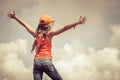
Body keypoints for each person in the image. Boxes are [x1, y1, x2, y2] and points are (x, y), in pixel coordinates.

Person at [7, 11, 86, 80]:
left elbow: (24, 25)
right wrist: (77, 22)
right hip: (46, 62)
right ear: (49, 25)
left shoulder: (35, 34)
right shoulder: (50, 34)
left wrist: (15, 17)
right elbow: (65, 28)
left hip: (37, 62)